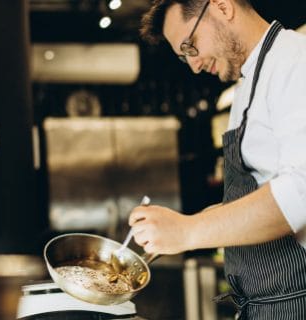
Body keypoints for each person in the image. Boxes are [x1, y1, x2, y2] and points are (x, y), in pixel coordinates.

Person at [128, 0, 306, 318]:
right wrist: (169, 228)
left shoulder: (296, 61)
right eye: (184, 57)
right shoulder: (244, 89)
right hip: (264, 303)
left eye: (190, 46)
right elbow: (252, 198)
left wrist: (188, 231)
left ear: (223, 7)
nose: (194, 65)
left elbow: (301, 192)